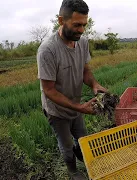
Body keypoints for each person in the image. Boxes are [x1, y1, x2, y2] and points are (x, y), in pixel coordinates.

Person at [36, 0, 107, 179]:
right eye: (77, 25)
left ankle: (80, 153)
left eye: (84, 25)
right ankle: (73, 171)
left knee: (82, 137)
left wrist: (94, 84)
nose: (82, 30)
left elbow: (85, 70)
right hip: (57, 111)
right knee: (66, 145)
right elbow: (49, 91)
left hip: (76, 105)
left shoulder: (82, 42)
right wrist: (80, 107)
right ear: (61, 20)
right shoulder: (48, 50)